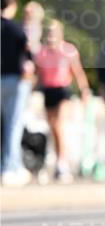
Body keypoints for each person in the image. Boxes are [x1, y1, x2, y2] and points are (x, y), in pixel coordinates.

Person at [34, 19, 90, 181]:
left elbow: (77, 72)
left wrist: (84, 90)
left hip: (63, 90)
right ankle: (57, 161)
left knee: (59, 125)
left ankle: (62, 163)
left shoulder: (68, 50)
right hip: (48, 90)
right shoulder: (42, 53)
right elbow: (38, 75)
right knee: (52, 127)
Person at [1, 0, 34, 185]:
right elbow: (28, 57)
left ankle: (13, 164)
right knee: (13, 125)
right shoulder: (15, 29)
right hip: (14, 80)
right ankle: (9, 167)